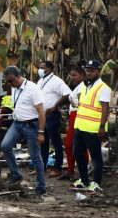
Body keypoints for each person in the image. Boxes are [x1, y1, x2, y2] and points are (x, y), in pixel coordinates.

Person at [0, 66, 49, 197]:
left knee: (35, 155)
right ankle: (16, 174)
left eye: (11, 80)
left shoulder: (32, 89)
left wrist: (41, 132)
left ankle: (41, 186)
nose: (9, 83)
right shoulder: (14, 88)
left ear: (19, 77)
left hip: (31, 125)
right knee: (5, 146)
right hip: (17, 123)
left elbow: (41, 111)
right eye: (7, 81)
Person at [72, 60, 112, 193]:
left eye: (92, 71)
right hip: (81, 126)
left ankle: (96, 183)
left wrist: (102, 126)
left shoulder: (103, 88)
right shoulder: (85, 86)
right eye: (88, 70)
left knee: (95, 157)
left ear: (98, 71)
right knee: (77, 153)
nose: (89, 73)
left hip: (93, 129)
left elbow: (105, 108)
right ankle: (84, 180)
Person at [37, 59, 70, 175]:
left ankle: (57, 168)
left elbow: (67, 94)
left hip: (52, 115)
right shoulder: (41, 81)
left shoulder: (56, 81)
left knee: (56, 142)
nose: (40, 70)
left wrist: (55, 106)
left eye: (42, 68)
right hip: (42, 115)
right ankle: (42, 166)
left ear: (49, 69)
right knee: (43, 141)